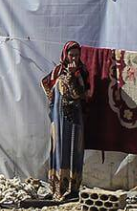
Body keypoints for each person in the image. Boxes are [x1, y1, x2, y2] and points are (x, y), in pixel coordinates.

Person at [41, 40, 89, 200]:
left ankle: (73, 189)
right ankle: (57, 188)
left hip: (75, 117)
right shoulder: (58, 70)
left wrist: (73, 75)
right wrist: (53, 100)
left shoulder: (82, 71)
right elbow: (45, 83)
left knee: (75, 149)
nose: (74, 58)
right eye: (71, 55)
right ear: (65, 55)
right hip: (58, 115)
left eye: (77, 55)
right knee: (58, 148)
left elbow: (80, 94)